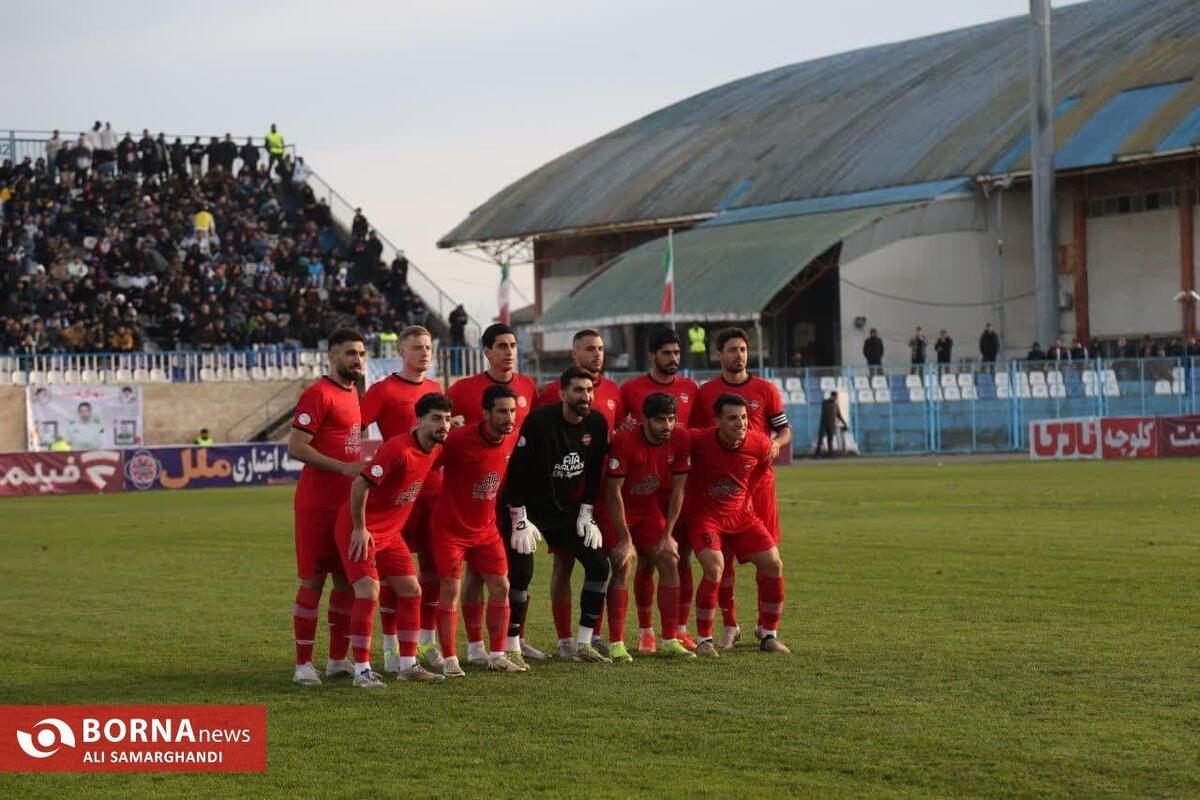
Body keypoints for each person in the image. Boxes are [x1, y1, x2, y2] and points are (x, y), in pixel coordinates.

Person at [336, 392, 450, 687]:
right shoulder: (396, 449)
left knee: (412, 590)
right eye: (436, 418)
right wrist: (360, 528)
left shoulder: (436, 449)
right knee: (368, 591)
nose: (444, 425)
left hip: (389, 534)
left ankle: (408, 664)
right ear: (419, 420)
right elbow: (359, 484)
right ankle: (362, 671)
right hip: (360, 529)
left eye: (447, 419)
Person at [690, 327, 791, 650]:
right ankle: (729, 625)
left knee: (769, 557)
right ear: (719, 354)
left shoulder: (766, 389)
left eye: (743, 349)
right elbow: (690, 435)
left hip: (754, 487)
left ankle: (766, 630)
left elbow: (783, 430)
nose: (739, 355)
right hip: (714, 489)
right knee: (722, 563)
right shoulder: (705, 393)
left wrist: (775, 445)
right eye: (732, 350)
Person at [446, 323, 540, 663]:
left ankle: (514, 639)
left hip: (516, 495)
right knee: (476, 574)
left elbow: (532, 436)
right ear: (487, 352)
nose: (509, 351)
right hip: (476, 498)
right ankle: (475, 647)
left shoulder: (528, 386)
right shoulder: (463, 390)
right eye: (502, 345)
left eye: (513, 345)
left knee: (520, 570)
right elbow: (440, 427)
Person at [504, 366, 611, 662]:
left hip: (566, 512)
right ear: (563, 394)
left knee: (599, 565)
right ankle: (513, 644)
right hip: (528, 508)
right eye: (578, 390)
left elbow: (592, 475)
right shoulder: (539, 422)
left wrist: (587, 512)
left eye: (589, 390)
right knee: (522, 573)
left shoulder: (598, 424)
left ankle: (584, 643)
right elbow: (517, 472)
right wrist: (519, 517)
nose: (585, 396)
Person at [359, 326, 446, 674]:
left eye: (428, 347)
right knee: (392, 576)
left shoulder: (435, 389)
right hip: (395, 498)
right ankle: (390, 647)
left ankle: (426, 641)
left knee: (431, 570)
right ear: (402, 352)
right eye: (416, 347)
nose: (424, 353)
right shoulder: (383, 390)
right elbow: (357, 428)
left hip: (431, 491)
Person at [536, 329, 626, 659]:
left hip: (602, 491)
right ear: (575, 355)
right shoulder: (551, 394)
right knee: (564, 562)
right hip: (564, 493)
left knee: (607, 560)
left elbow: (618, 434)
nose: (597, 354)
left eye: (601, 348)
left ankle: (596, 634)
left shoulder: (615, 390)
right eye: (590, 349)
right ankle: (564, 638)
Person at [286, 328, 367, 686]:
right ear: (332, 356)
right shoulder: (318, 394)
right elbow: (296, 446)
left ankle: (337, 660)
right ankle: (303, 664)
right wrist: (344, 468)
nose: (357, 360)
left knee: (347, 583)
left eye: (361, 354)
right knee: (313, 581)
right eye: (350, 353)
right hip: (317, 505)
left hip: (347, 505)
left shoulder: (354, 394)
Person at [431, 384, 528, 676]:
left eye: (512, 410)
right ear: (485, 413)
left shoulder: (512, 439)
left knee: (502, 586)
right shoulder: (458, 439)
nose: (509, 416)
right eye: (502, 411)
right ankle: (449, 658)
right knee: (450, 589)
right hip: (450, 527)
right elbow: (427, 462)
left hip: (486, 528)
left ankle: (495, 654)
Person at [620, 327, 701, 647]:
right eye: (666, 353)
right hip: (645, 491)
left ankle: (680, 628)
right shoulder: (631, 389)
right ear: (652, 355)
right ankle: (646, 632)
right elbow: (622, 433)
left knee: (682, 558)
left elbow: (696, 432)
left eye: (677, 353)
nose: (673, 359)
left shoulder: (690, 388)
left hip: (680, 488)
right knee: (648, 559)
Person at [606, 392, 695, 659]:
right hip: (617, 512)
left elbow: (679, 491)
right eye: (659, 420)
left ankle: (669, 639)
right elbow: (613, 493)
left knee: (669, 559)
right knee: (623, 565)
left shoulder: (680, 438)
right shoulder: (624, 442)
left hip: (647, 512)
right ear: (644, 420)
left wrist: (668, 535)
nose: (666, 425)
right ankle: (616, 643)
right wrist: (625, 539)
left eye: (671, 419)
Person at [814, 391, 847, 458]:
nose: (836, 398)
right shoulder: (825, 402)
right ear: (832, 396)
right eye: (835, 397)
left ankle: (830, 454)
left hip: (831, 425)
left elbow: (839, 415)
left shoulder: (836, 405)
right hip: (824, 424)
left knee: (830, 440)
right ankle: (817, 454)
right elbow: (826, 412)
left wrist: (844, 423)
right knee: (820, 439)